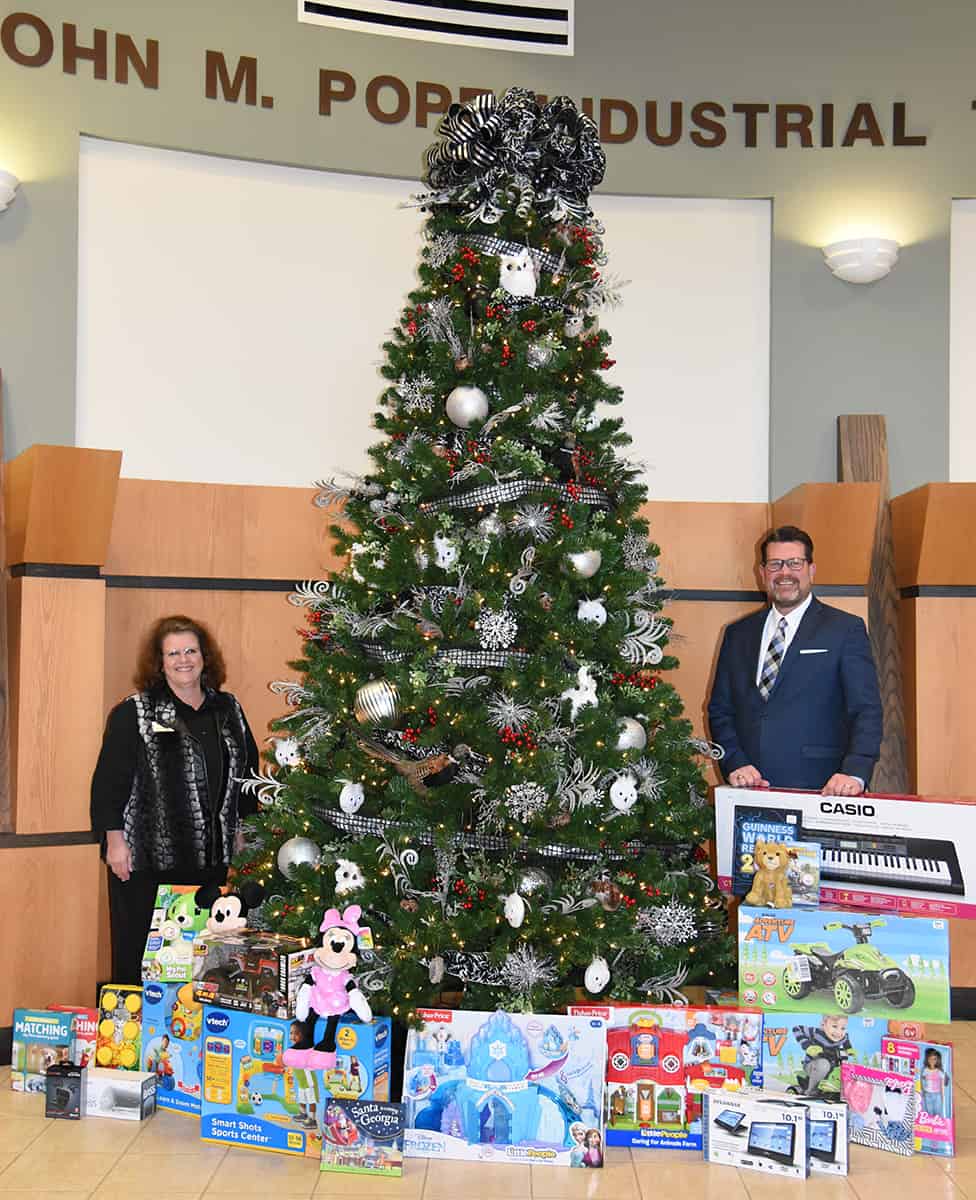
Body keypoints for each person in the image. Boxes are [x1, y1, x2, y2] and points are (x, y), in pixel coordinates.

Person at [91, 615, 259, 985]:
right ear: (160, 662)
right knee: (143, 960)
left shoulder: (229, 709)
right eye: (173, 653)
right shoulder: (134, 712)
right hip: (148, 862)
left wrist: (244, 831)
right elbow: (108, 782)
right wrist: (114, 840)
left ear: (204, 657)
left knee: (203, 959)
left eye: (190, 650)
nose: (183, 659)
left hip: (212, 863)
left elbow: (248, 773)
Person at [707, 525, 882, 796]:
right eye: (775, 564)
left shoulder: (845, 629)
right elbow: (720, 710)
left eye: (794, 563)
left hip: (822, 788)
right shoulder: (737, 634)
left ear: (811, 570)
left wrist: (855, 771)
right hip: (750, 788)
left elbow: (866, 710)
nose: (784, 573)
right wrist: (734, 761)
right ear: (762, 572)